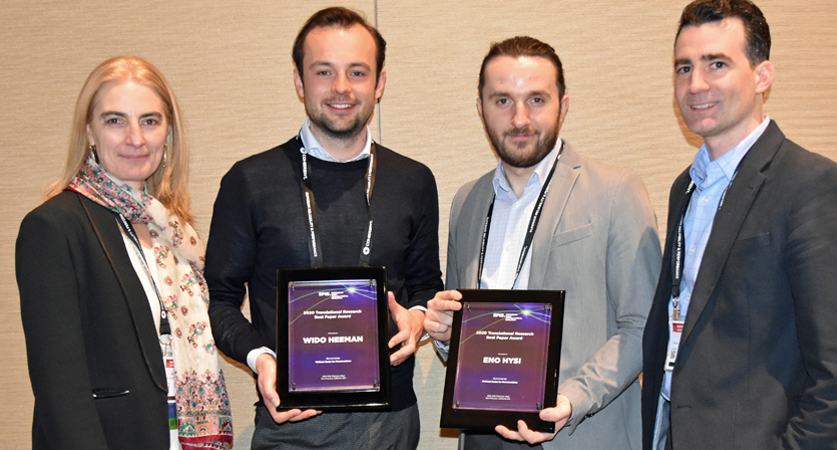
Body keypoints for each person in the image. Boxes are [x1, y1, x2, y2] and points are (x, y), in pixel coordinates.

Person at [205, 7, 443, 449]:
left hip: (391, 424)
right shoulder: (250, 180)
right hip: (292, 424)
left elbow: (427, 286)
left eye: (357, 71)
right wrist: (262, 360)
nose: (341, 88)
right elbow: (217, 300)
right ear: (299, 81)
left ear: (380, 82)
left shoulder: (414, 180)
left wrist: (418, 320)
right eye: (323, 71)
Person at [641, 1, 837, 449]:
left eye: (717, 64)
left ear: (762, 75)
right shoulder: (684, 189)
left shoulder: (812, 185)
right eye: (684, 67)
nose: (696, 84)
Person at [424, 36, 661, 449]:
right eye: (502, 101)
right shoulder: (467, 201)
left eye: (536, 99)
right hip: (483, 438)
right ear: (480, 109)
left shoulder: (616, 190)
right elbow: (464, 333)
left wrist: (571, 399)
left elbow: (644, 325)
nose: (519, 118)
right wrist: (446, 335)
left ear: (563, 105)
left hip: (581, 433)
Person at [16, 56, 232, 450]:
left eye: (150, 121)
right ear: (90, 132)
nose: (136, 138)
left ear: (168, 132)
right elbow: (60, 387)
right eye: (115, 120)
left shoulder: (174, 232)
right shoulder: (55, 227)